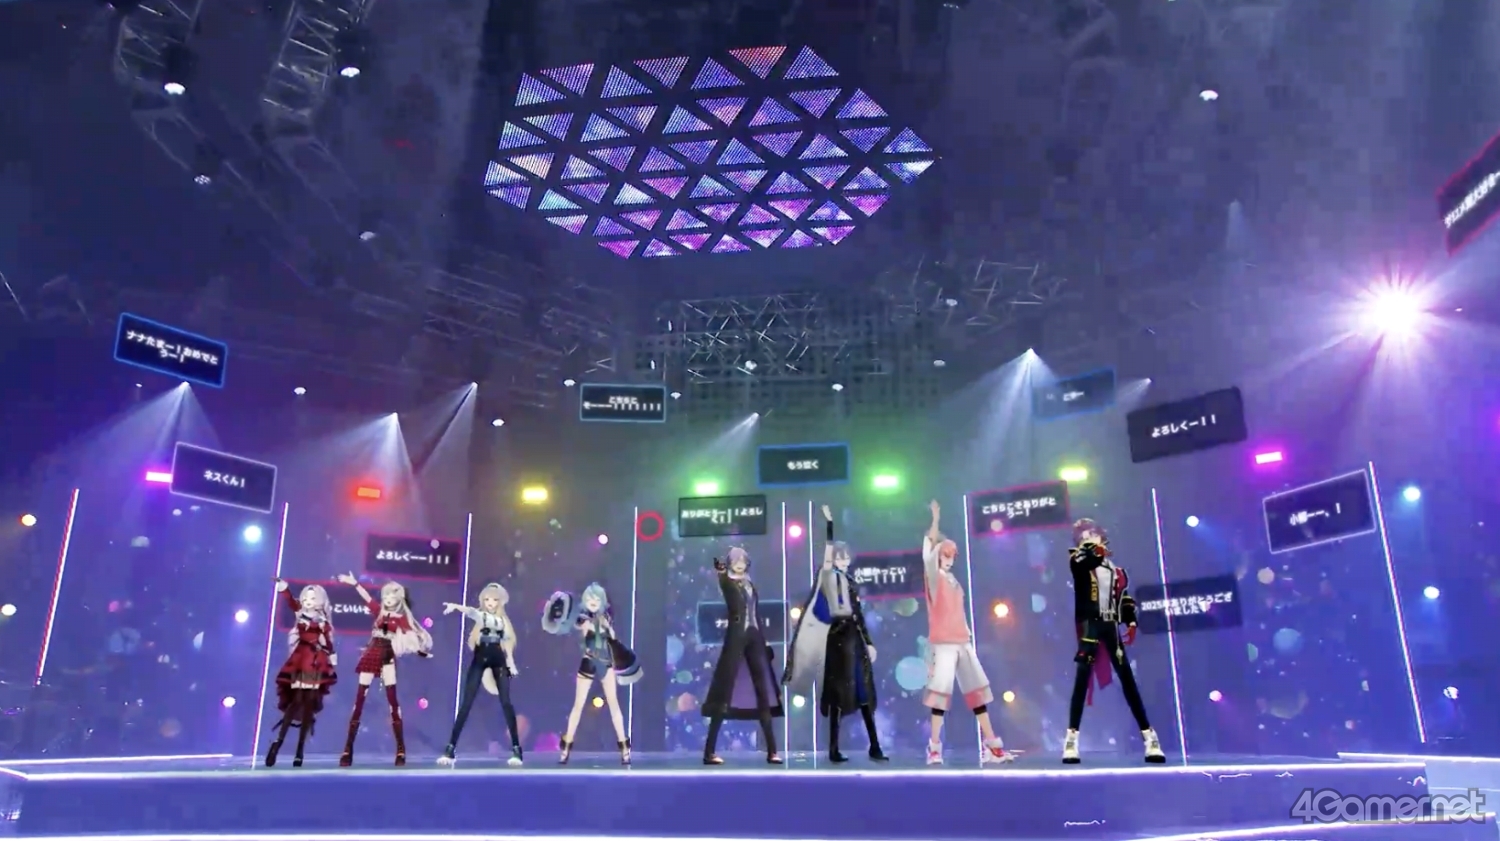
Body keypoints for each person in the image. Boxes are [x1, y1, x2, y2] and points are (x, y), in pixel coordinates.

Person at [786, 505, 886, 763]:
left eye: (845, 557)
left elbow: (858, 614)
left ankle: (875, 746)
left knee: (863, 691)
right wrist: (829, 526)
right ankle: (833, 749)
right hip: (837, 637)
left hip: (854, 636)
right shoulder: (827, 575)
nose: (843, 560)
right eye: (839, 557)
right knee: (838, 694)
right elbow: (828, 557)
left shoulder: (851, 582)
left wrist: (869, 642)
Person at [1064, 518, 1166, 764]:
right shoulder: (1078, 562)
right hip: (1090, 626)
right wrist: (1092, 552)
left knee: (1127, 680)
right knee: (1082, 681)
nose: (1089, 539)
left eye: (1092, 534)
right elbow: (1085, 563)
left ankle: (1149, 737)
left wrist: (1130, 621)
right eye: (1083, 537)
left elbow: (1124, 598)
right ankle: (1071, 740)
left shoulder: (1115, 571)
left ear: (1101, 536)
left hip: (1110, 625)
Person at [923, 500, 1013, 766]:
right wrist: (936, 520)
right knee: (940, 695)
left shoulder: (953, 580)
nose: (949, 560)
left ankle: (992, 745)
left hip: (962, 641)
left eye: (952, 556)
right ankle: (934, 747)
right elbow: (929, 548)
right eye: (945, 555)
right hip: (943, 643)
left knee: (977, 692)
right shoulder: (934, 578)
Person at [335, 574, 434, 767]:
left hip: (387, 654)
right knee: (359, 700)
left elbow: (412, 637)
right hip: (372, 653)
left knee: (392, 701)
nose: (388, 599)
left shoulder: (401, 619)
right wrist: (354, 583)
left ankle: (400, 749)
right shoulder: (379, 613)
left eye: (392, 596)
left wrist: (421, 652)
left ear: (398, 599)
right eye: (386, 595)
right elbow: (367, 599)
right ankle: (348, 748)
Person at [702, 547, 784, 765]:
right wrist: (721, 573)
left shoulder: (750, 584)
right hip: (736, 637)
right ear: (730, 563)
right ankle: (709, 752)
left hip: (754, 636)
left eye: (743, 560)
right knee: (725, 690)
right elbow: (724, 585)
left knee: (762, 689)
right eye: (735, 561)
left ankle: (772, 751)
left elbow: (755, 612)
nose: (739, 564)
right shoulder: (728, 583)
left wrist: (764, 641)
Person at [543, 583, 639, 765]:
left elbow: (612, 638)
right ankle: (565, 750)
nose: (593, 601)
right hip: (589, 661)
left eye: (596, 599)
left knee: (614, 705)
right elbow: (572, 624)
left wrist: (608, 632)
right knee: (578, 706)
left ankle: (625, 750)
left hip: (605, 663)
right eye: (590, 598)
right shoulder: (582, 618)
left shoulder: (605, 619)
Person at [438, 583, 523, 766]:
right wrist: (456, 607)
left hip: (497, 657)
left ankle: (516, 749)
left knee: (506, 702)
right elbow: (472, 612)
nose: (490, 603)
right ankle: (450, 748)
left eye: (494, 600)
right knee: (466, 703)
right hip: (480, 657)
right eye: (487, 599)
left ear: (500, 601)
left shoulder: (502, 622)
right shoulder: (481, 618)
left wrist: (511, 663)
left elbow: (507, 644)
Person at [266, 580, 338, 767]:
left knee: (308, 704)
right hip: (301, 659)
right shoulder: (301, 613)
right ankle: (278, 742)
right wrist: (284, 588)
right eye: (306, 598)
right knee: (297, 700)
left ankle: (299, 749)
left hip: (315, 660)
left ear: (319, 600)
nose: (308, 601)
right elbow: (291, 602)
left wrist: (331, 655)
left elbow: (328, 641)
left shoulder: (322, 620)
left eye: (312, 598)